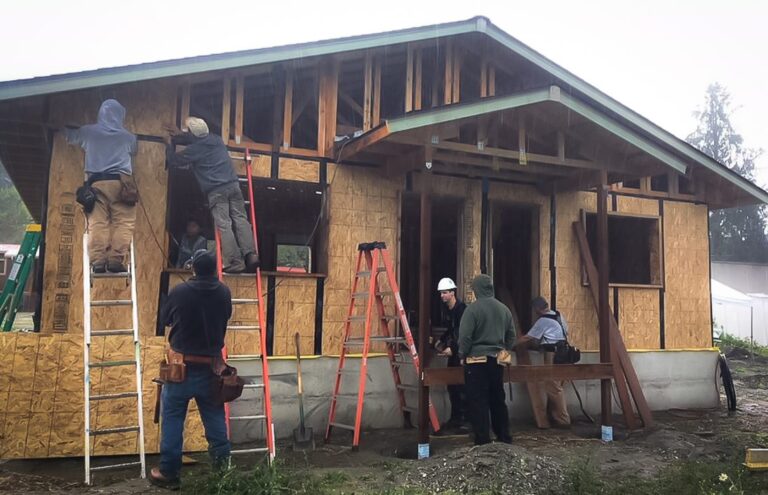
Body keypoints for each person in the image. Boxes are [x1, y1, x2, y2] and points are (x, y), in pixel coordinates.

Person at [150, 250, 232, 489]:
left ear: (193, 268)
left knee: (173, 420)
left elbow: (165, 320)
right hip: (211, 369)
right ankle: (223, 472)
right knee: (215, 420)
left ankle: (169, 473)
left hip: (180, 368)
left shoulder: (179, 291)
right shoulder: (224, 292)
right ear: (214, 269)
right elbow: (226, 316)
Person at [165, 117, 259, 273]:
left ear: (193, 134)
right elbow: (197, 138)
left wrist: (169, 145)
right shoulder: (216, 140)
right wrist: (180, 135)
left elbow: (174, 160)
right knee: (241, 219)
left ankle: (235, 261)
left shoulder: (195, 150)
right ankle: (251, 255)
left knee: (224, 224)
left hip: (216, 191)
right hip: (233, 186)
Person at [65, 99, 138, 273]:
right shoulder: (128, 137)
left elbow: (70, 136)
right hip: (121, 184)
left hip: (95, 183)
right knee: (123, 222)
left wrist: (63, 124)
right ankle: (115, 260)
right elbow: (134, 150)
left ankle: (98, 260)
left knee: (97, 223)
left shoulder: (89, 132)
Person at [458, 274, 515, 445]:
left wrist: (462, 354)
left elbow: (465, 336)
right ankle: (504, 437)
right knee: (497, 399)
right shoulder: (504, 309)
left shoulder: (472, 310)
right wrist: (504, 351)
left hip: (476, 361)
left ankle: (483, 440)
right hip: (497, 361)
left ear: (477, 290)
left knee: (478, 400)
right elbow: (511, 336)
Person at [515, 296, 571, 427]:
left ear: (537, 309)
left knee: (552, 386)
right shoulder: (558, 315)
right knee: (557, 385)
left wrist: (511, 343)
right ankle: (556, 416)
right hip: (563, 352)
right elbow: (566, 332)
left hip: (552, 353)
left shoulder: (543, 321)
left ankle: (563, 420)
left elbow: (527, 337)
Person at [434, 277, 467, 430]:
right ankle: (456, 419)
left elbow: (462, 332)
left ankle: (464, 421)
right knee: (452, 386)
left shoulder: (461, 310)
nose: (442, 296)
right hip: (455, 354)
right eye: (441, 293)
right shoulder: (449, 310)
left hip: (462, 354)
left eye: (445, 292)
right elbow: (450, 330)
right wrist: (440, 341)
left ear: (452, 293)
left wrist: (453, 348)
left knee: (461, 387)